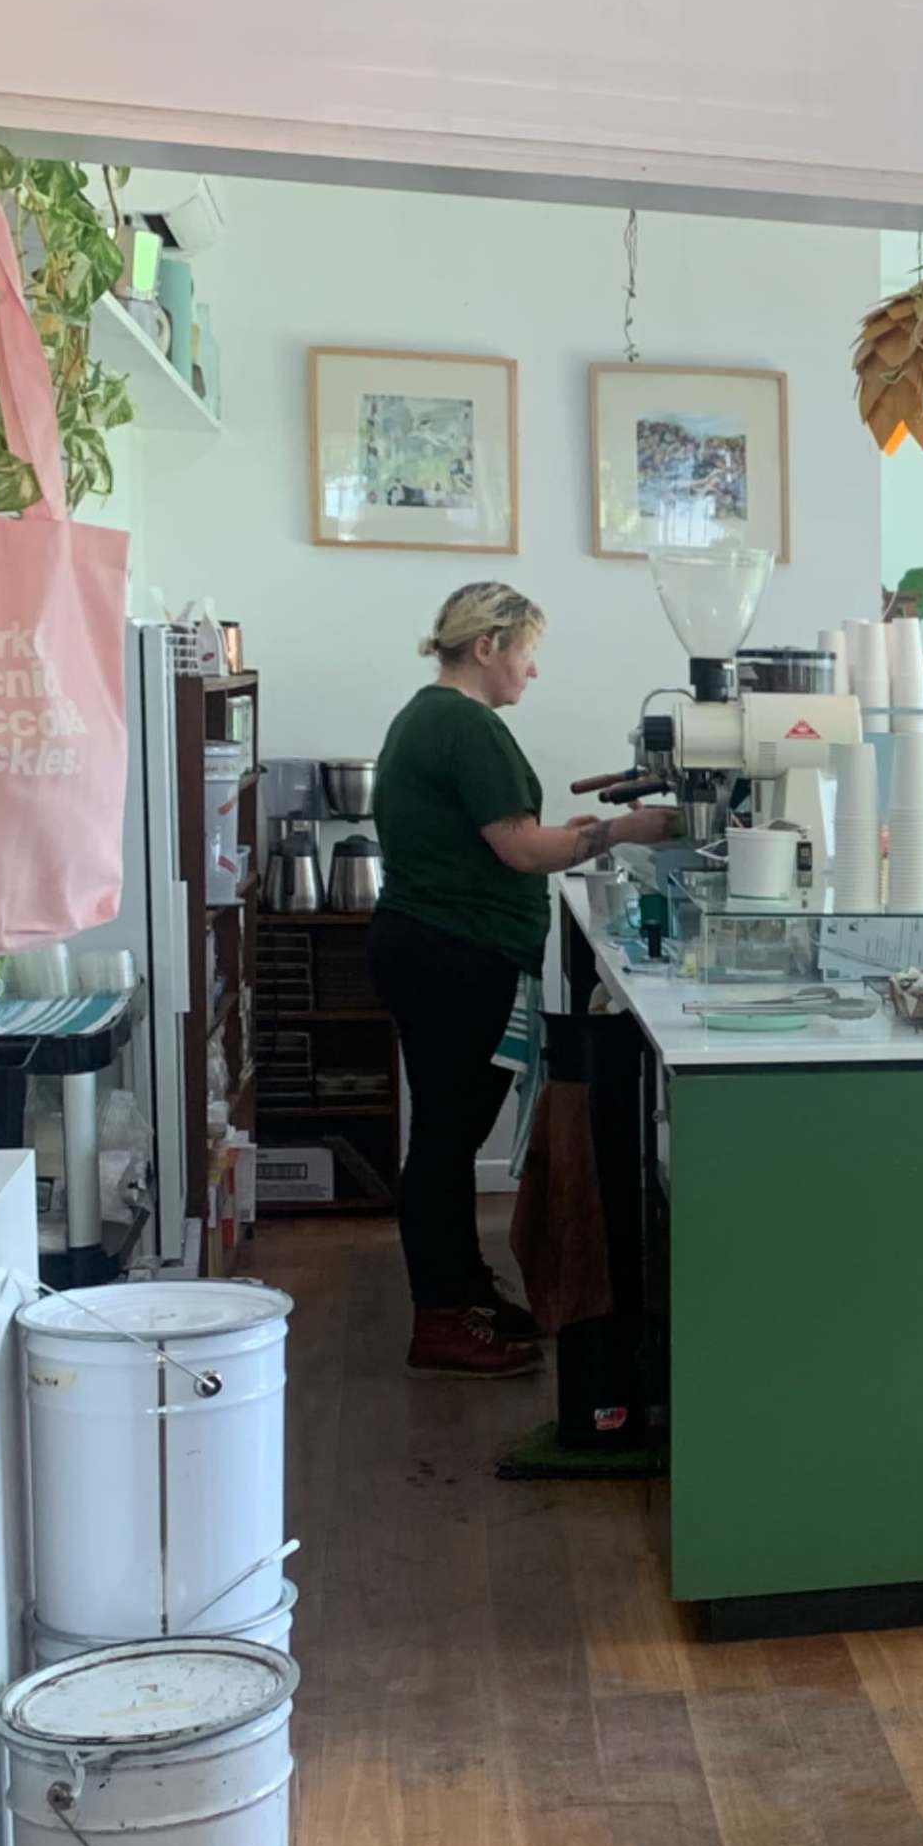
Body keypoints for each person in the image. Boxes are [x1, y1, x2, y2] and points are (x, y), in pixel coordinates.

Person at [365, 584, 676, 1376]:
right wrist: (622, 831)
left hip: (433, 944)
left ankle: (462, 1290)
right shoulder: (465, 725)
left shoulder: (426, 717)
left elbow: (507, 837)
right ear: (488, 648)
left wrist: (564, 836)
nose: (532, 672)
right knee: (445, 1135)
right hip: (451, 950)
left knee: (450, 1128)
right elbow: (518, 850)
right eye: (527, 652)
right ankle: (440, 1316)